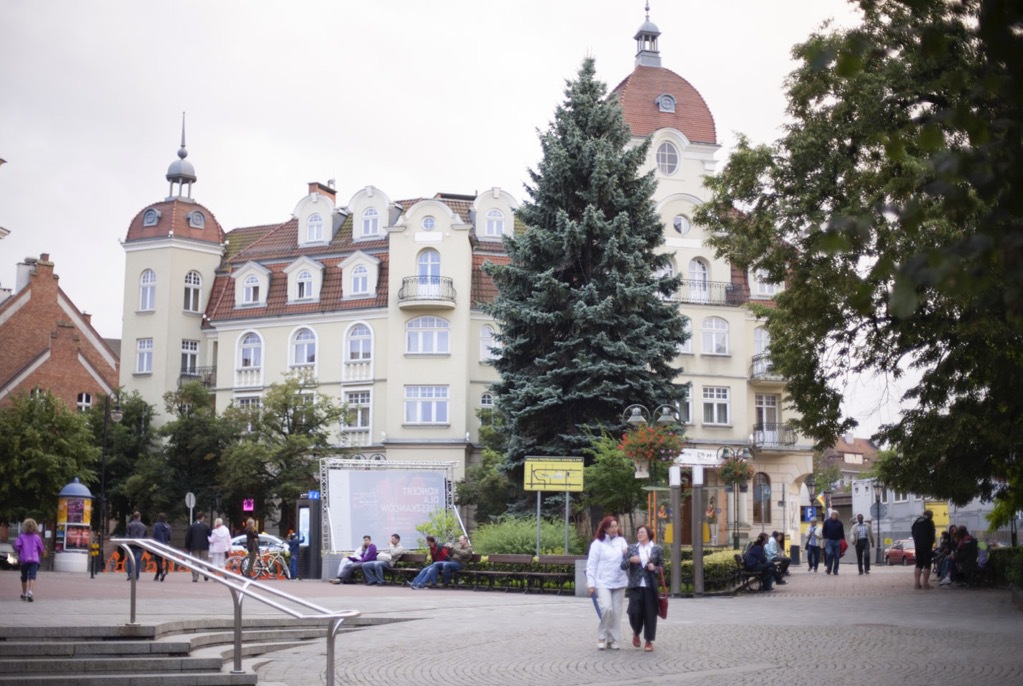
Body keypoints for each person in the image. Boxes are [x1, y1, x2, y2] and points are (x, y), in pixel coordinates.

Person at [585, 515, 629, 651]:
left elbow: (627, 561)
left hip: (619, 581)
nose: (614, 529)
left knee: (616, 612)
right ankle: (602, 636)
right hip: (603, 581)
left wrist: (627, 554)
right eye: (611, 526)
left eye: (616, 526)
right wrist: (591, 583)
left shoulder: (622, 541)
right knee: (606, 609)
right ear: (605, 528)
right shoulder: (597, 544)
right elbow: (591, 564)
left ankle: (614, 639)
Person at [622, 524, 664, 652]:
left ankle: (649, 640)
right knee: (634, 612)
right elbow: (622, 566)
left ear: (648, 534)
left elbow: (663, 567)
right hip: (635, 585)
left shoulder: (657, 549)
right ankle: (636, 631)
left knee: (650, 614)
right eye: (638, 532)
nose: (639, 534)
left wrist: (655, 568)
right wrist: (630, 560)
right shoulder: (631, 548)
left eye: (642, 532)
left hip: (650, 586)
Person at [15, 517, 45, 602]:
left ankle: (24, 593)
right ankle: (30, 592)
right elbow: (41, 549)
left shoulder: (21, 537)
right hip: (34, 560)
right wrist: (38, 554)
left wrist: (20, 552)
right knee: (32, 576)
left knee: (24, 577)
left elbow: (17, 547)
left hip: (24, 560)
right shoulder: (37, 537)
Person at [911, 509, 937, 589]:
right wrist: (931, 542)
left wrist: (916, 541)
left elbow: (912, 532)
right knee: (927, 565)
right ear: (930, 516)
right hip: (927, 546)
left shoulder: (917, 521)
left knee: (918, 564)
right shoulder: (929, 522)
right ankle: (925, 584)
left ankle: (917, 583)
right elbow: (932, 534)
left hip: (917, 545)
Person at [185, 512, 212, 582]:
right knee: (204, 561)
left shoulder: (192, 526)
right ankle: (206, 573)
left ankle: (195, 577)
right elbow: (210, 535)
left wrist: (187, 546)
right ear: (202, 517)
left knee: (195, 562)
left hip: (194, 547)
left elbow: (188, 537)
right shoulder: (206, 526)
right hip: (204, 546)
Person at [821, 510, 845, 575]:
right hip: (829, 541)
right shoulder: (827, 522)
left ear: (837, 516)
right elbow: (824, 530)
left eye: (835, 515)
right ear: (831, 515)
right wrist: (825, 537)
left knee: (837, 557)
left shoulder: (840, 523)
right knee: (829, 554)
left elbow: (842, 533)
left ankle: (835, 570)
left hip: (837, 541)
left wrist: (843, 540)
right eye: (833, 515)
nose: (834, 516)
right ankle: (829, 568)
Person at [125, 511, 147, 580]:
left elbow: (127, 535)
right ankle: (136, 575)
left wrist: (127, 543)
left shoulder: (129, 525)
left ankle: (129, 574)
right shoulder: (143, 526)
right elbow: (145, 537)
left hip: (131, 545)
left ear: (133, 517)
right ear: (139, 517)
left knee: (129, 560)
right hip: (139, 546)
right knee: (137, 560)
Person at [152, 512, 172, 581]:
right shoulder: (168, 526)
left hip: (157, 544)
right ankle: (157, 575)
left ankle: (162, 570)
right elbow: (169, 536)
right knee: (161, 559)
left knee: (158, 560)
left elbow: (154, 535)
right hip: (164, 545)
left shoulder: (156, 525)